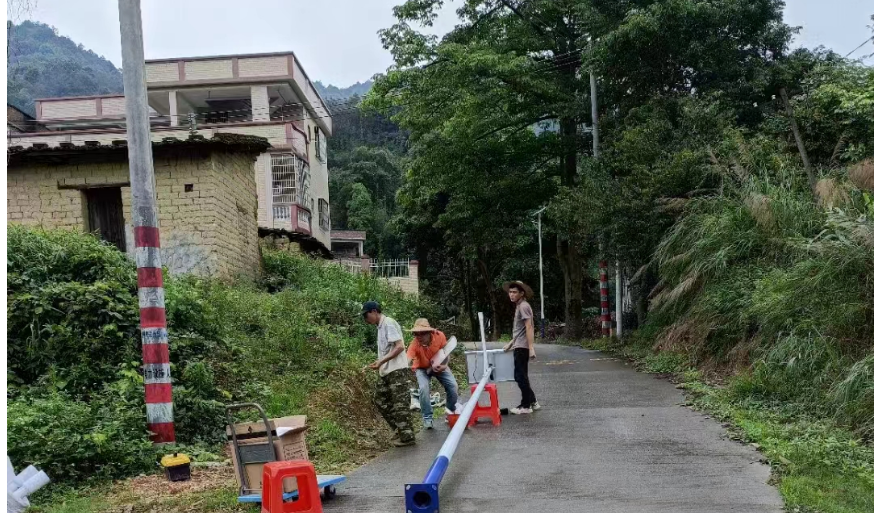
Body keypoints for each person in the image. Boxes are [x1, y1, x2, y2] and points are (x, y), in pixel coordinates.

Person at [362, 301, 416, 447]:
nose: (366, 320)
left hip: (397, 370)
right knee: (380, 400)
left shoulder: (388, 323)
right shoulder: (380, 327)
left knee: (400, 404)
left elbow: (399, 347)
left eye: (366, 316)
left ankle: (407, 437)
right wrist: (379, 362)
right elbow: (388, 350)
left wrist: (381, 361)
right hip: (386, 370)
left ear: (374, 311)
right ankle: (400, 430)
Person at [406, 318, 459, 429]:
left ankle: (450, 411)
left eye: (421, 334)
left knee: (453, 386)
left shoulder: (440, 336)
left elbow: (446, 352)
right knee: (423, 389)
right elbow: (407, 359)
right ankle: (427, 418)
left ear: (429, 333)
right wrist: (402, 367)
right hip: (422, 368)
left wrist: (444, 365)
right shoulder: (415, 344)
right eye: (416, 334)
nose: (418, 337)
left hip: (439, 364)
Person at [502, 281, 540, 414]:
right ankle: (533, 401)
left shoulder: (523, 306)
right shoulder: (520, 306)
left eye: (514, 292)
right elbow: (521, 330)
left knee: (520, 376)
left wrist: (531, 347)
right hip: (519, 345)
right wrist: (511, 343)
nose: (511, 295)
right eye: (510, 292)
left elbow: (529, 327)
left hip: (522, 347)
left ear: (521, 293)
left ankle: (525, 406)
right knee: (522, 376)